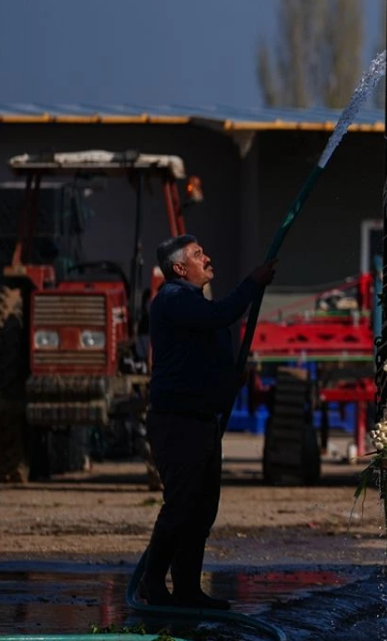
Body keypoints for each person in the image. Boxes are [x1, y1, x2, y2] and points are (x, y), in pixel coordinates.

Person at [139, 234, 276, 609]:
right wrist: (253, 282)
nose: (208, 258)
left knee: (201, 510)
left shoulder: (193, 303)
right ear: (180, 269)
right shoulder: (173, 300)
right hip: (177, 422)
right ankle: (152, 585)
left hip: (201, 421)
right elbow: (222, 316)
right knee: (181, 505)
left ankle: (186, 588)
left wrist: (230, 379)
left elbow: (201, 351)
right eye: (198, 255)